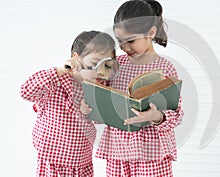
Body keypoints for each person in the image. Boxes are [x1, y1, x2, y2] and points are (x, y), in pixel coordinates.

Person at [81, 1, 184, 176]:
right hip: (118, 152)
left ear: (151, 33)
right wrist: (89, 106)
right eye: (120, 41)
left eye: (131, 40)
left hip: (151, 153)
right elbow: (102, 98)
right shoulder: (115, 65)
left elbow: (177, 114)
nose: (124, 47)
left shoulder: (165, 68)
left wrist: (157, 116)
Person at [20, 30, 116, 177]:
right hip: (52, 160)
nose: (101, 71)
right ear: (76, 59)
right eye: (96, 63)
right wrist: (59, 70)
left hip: (81, 161)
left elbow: (102, 119)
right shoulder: (56, 82)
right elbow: (26, 91)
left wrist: (91, 109)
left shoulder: (99, 88)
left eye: (107, 65)